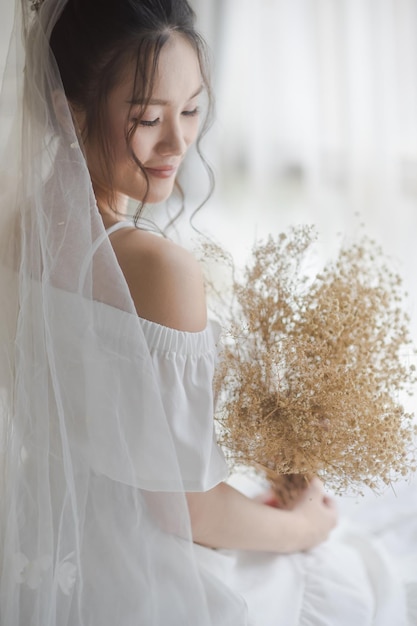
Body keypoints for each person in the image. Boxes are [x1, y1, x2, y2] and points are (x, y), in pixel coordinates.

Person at [0, 0, 415, 624]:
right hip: (146, 576)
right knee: (352, 567)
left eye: (192, 110)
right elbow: (186, 512)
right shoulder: (157, 267)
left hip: (40, 542)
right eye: (147, 118)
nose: (178, 143)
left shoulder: (14, 228)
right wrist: (303, 529)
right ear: (67, 107)